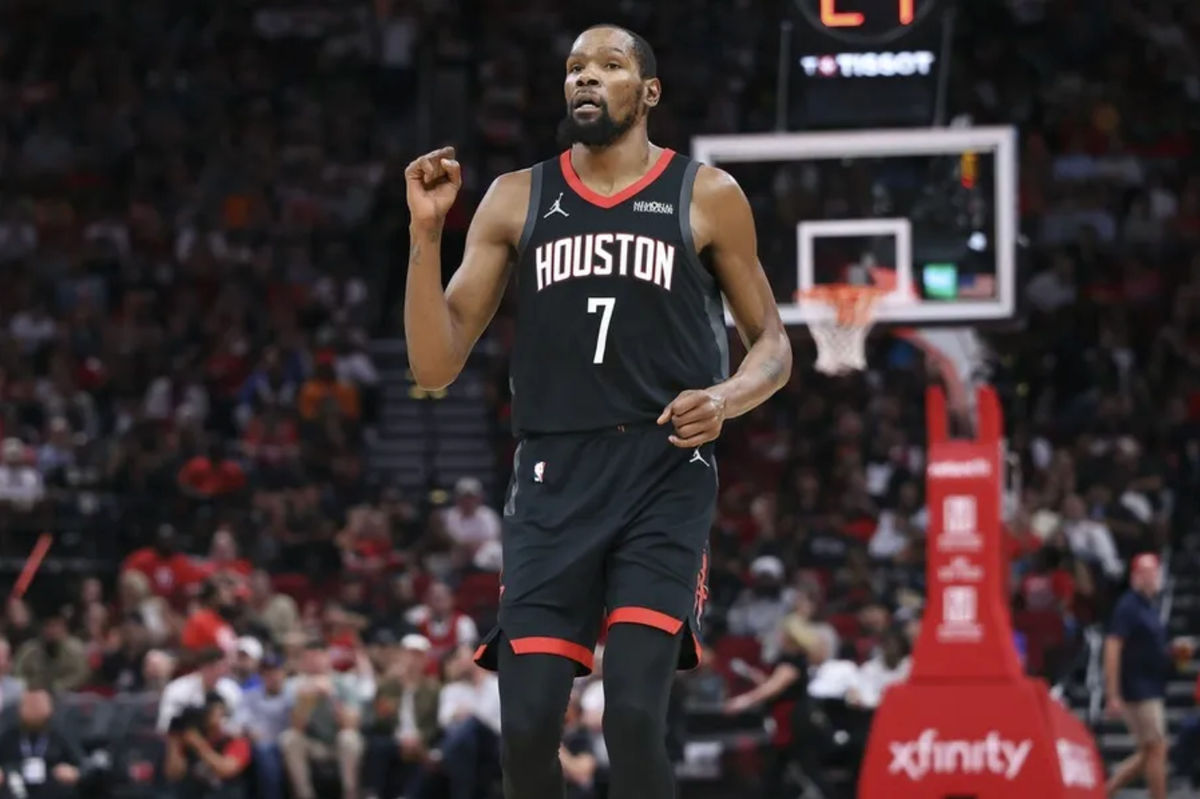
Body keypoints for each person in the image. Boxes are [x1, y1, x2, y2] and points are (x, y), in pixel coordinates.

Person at [403, 23, 790, 799]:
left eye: (609, 67)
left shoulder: (706, 194)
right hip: (553, 476)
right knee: (527, 727)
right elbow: (432, 362)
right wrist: (424, 232)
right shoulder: (517, 196)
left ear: (647, 93)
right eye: (575, 68)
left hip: (661, 472)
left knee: (634, 717)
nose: (585, 78)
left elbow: (774, 346)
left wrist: (724, 398)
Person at [1105, 552, 1170, 798]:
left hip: (1151, 684)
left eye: (1154, 571)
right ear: (1134, 576)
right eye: (1145, 571)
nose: (1151, 576)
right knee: (1157, 748)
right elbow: (1112, 647)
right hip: (1137, 688)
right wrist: (1113, 694)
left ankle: (1104, 791)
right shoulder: (1128, 606)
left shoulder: (1148, 606)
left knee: (1149, 750)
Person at [163, 692, 253, 799]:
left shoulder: (236, 740)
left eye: (214, 711)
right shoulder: (190, 736)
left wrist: (199, 745)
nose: (208, 715)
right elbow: (173, 774)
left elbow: (226, 769)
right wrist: (174, 742)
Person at [0, 689, 84, 799]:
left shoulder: (60, 734)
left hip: (54, 789)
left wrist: (75, 772)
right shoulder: (8, 735)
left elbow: (83, 764)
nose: (34, 708)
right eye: (29, 704)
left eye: (38, 704)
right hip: (14, 786)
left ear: (50, 707)